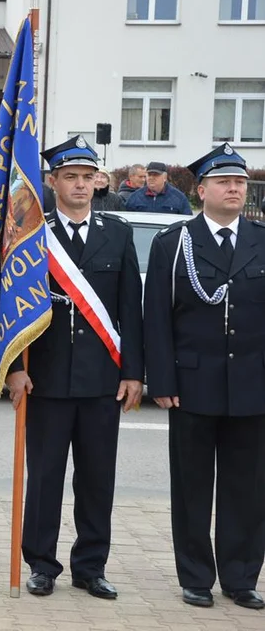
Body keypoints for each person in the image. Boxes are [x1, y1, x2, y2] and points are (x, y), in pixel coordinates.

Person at [5, 135, 144, 600]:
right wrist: (12, 370)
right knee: (44, 478)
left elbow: (131, 309)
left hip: (102, 379)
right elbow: (12, 307)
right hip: (44, 377)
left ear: (98, 181)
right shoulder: (32, 234)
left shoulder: (117, 233)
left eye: (87, 177)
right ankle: (41, 564)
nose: (80, 185)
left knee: (97, 477)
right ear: (52, 181)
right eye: (70, 177)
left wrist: (132, 373)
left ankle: (91, 566)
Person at [144, 144, 265, 611]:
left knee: (248, 488)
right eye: (224, 182)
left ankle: (241, 577)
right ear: (201, 190)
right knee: (192, 486)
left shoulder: (260, 238)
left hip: (253, 384)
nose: (234, 188)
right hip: (193, 383)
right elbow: (156, 316)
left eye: (240, 182)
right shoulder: (175, 243)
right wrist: (162, 380)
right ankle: (195, 575)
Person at [125, 161, 192, 214]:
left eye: (155, 175)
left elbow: (187, 223)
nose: (151, 178)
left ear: (165, 178)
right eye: (149, 174)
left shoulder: (179, 198)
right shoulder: (134, 197)